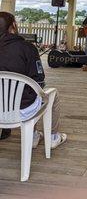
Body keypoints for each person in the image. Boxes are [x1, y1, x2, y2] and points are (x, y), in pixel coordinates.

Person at [0, 12, 66, 149]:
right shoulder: (27, 48)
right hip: (21, 109)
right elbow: (39, 81)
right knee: (48, 93)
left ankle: (35, 135)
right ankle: (51, 137)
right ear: (13, 26)